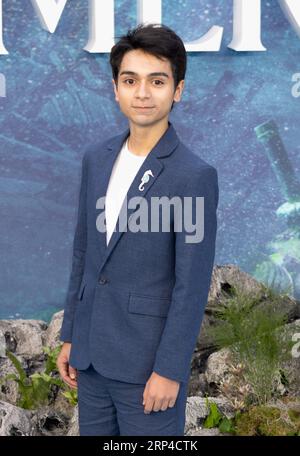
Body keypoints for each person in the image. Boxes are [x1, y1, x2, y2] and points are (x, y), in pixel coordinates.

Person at [57, 22, 219, 436]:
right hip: (91, 359)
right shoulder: (97, 158)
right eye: (131, 80)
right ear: (115, 88)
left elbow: (192, 282)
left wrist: (170, 369)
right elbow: (83, 254)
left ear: (177, 90)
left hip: (148, 368)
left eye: (157, 81)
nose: (142, 93)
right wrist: (71, 334)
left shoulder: (193, 175)